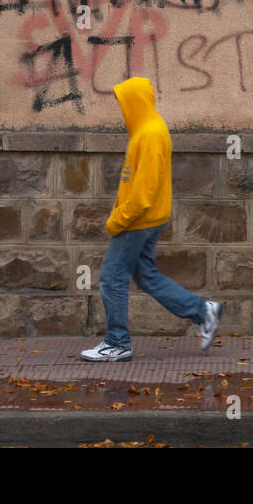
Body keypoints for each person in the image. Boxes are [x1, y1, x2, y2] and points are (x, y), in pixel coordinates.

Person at [81, 76, 223, 361]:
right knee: (146, 276)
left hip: (137, 221)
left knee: (111, 278)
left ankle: (117, 343)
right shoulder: (147, 131)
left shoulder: (150, 134)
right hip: (146, 218)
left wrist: (116, 221)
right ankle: (203, 311)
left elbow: (143, 194)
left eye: (123, 102)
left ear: (135, 102)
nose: (121, 109)